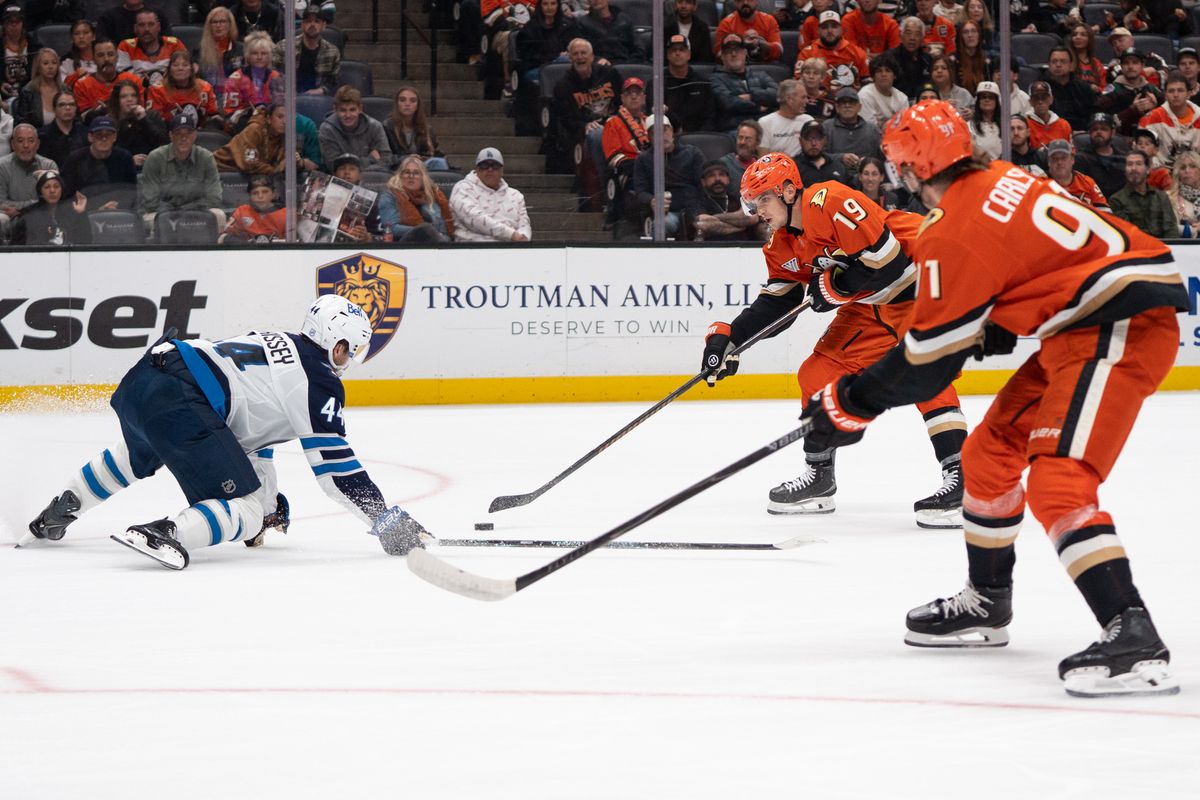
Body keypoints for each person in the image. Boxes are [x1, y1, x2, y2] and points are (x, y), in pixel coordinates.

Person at [808, 99, 1187, 697]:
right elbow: (1036, 263)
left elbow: (927, 365)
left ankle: (1134, 636)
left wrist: (846, 403)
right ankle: (987, 602)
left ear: (909, 168)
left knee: (1059, 481)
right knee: (987, 457)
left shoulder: (956, 226)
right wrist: (997, 321)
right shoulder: (998, 179)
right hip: (1086, 321)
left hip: (1120, 325)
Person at [21, 295, 431, 569]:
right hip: (186, 396)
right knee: (247, 507)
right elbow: (336, 470)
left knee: (138, 454)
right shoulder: (318, 380)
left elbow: (251, 441)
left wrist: (272, 502)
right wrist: (384, 518)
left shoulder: (276, 343)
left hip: (149, 376)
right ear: (337, 344)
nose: (349, 358)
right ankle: (167, 531)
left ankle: (59, 511)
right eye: (351, 349)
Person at [706, 152, 966, 525]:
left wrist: (835, 285)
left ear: (789, 190)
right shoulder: (780, 244)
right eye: (753, 202)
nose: (757, 210)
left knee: (926, 379)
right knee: (816, 374)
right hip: (873, 306)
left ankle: (961, 480)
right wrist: (731, 339)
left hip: (926, 281)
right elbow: (779, 304)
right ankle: (820, 478)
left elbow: (889, 260)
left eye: (763, 198)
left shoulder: (829, 200)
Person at [140, 113, 226, 233]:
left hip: (196, 212)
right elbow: (151, 201)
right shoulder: (155, 157)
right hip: (162, 213)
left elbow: (214, 198)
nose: (183, 138)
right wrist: (175, 213)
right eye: (178, 134)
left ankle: (211, 251)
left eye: (188, 133)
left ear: (195, 135)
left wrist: (188, 211)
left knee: (219, 215)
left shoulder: (206, 157)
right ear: (171, 136)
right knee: (149, 219)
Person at [549, 38, 617, 173]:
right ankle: (605, 181)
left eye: (583, 53)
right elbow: (566, 120)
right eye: (575, 54)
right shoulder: (563, 86)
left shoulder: (609, 74)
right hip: (585, 131)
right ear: (570, 58)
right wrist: (584, 125)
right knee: (597, 134)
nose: (580, 57)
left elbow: (622, 100)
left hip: (614, 123)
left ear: (592, 57)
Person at [631, 114, 704, 238]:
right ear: (649, 137)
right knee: (661, 225)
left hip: (694, 208)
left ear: (672, 131)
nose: (662, 136)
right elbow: (640, 191)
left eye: (665, 130)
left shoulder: (692, 153)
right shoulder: (643, 159)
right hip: (667, 213)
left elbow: (703, 184)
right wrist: (652, 200)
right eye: (655, 132)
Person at [450, 146, 532, 242]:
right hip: (473, 249)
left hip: (511, 249)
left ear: (502, 170)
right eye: (484, 165)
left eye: (495, 165)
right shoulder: (462, 188)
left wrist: (523, 238)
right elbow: (474, 218)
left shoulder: (516, 195)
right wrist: (511, 235)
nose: (490, 169)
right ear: (477, 169)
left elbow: (524, 225)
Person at [378, 154, 455, 242]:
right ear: (400, 176)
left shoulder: (433, 195)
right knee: (426, 229)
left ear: (423, 177)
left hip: (434, 244)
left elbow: (444, 231)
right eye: (407, 172)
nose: (411, 176)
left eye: (416, 173)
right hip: (404, 245)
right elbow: (391, 228)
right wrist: (422, 231)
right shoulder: (390, 195)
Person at [0, 123, 58, 239]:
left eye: (31, 141)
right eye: (20, 141)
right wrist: (35, 203)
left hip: (43, 215)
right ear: (12, 144)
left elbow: (53, 200)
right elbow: (1, 202)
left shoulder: (49, 165)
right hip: (10, 217)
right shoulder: (1, 166)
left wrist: (23, 208)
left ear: (37, 144)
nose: (26, 145)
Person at [60, 115, 137, 201]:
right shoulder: (74, 159)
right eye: (99, 135)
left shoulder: (125, 158)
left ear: (115, 137)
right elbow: (66, 195)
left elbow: (131, 191)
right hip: (83, 210)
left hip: (118, 208)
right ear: (90, 137)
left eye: (108, 135)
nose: (104, 139)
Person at [711, 35, 778, 133]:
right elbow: (729, 102)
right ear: (722, 56)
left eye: (737, 50)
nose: (733, 54)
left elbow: (778, 94)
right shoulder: (715, 79)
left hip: (765, 126)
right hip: (735, 129)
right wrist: (758, 107)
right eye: (728, 52)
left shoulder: (761, 75)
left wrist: (751, 96)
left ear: (745, 53)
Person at [652, 34, 716, 134]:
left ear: (689, 54)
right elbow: (651, 115)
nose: (677, 53)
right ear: (667, 55)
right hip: (666, 136)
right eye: (673, 50)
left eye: (682, 49)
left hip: (698, 137)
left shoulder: (702, 83)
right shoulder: (656, 83)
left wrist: (702, 137)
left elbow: (710, 117)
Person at [221, 31, 282, 132]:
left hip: (273, 126)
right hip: (243, 128)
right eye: (255, 53)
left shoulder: (277, 78)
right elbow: (230, 116)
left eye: (263, 53)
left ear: (270, 56)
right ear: (247, 55)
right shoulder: (235, 79)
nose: (259, 57)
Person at [272, 4, 340, 96]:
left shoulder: (333, 52)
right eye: (308, 21)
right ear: (302, 25)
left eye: (317, 21)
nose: (312, 25)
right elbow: (273, 73)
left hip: (319, 101)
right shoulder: (284, 47)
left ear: (324, 25)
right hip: (287, 99)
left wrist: (321, 90)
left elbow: (334, 81)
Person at [1109, 149, 1179, 237]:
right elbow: (1125, 232)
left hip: (1163, 246)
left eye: (1138, 164)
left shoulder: (1161, 197)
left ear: (1148, 169)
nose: (1133, 168)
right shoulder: (1116, 200)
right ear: (1125, 170)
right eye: (1130, 164)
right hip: (1135, 247)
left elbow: (1171, 228)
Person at [10, 168, 91, 244]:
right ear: (40, 192)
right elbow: (17, 246)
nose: (52, 191)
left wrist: (81, 214)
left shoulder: (72, 211)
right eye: (47, 187)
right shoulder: (29, 214)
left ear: (61, 190)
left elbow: (86, 241)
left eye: (56, 187)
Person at [1138, 71, 1200, 168]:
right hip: (1160, 173)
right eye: (1171, 91)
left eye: (1180, 90)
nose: (1175, 95)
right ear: (1165, 95)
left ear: (1188, 94)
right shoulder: (1152, 118)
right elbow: (1141, 152)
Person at [796, 11, 869, 93]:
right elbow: (799, 82)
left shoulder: (857, 52)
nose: (830, 31)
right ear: (819, 30)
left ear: (841, 29)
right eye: (825, 27)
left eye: (834, 27)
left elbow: (868, 82)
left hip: (850, 100)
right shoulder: (807, 53)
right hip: (819, 99)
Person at [146, 50, 221, 129]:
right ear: (169, 69)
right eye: (175, 65)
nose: (180, 68)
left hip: (202, 134)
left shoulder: (205, 87)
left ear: (192, 69)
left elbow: (214, 116)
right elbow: (154, 122)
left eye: (185, 65)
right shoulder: (157, 90)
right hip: (169, 134)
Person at [70, 39, 142, 119]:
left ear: (117, 57)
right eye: (100, 55)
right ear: (93, 59)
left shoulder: (133, 80)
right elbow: (85, 118)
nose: (106, 59)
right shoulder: (82, 85)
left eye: (111, 54)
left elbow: (141, 111)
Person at [1099, 48, 1164, 136]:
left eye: (1135, 62)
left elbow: (1168, 116)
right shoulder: (1112, 90)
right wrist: (1132, 111)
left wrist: (1155, 109)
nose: (1130, 66)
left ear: (1142, 65)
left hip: (1150, 139)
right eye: (1126, 63)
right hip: (1120, 139)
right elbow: (1102, 122)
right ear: (1121, 66)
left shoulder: (1151, 89)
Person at [214, 103, 292, 175]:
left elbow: (283, 163)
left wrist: (298, 162)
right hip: (220, 169)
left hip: (247, 174)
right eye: (280, 117)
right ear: (269, 119)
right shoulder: (254, 129)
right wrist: (274, 171)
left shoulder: (284, 135)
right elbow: (249, 162)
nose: (285, 122)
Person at [694, 160, 762, 241]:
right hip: (710, 249)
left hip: (744, 248)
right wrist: (740, 226)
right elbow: (703, 223)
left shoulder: (740, 197)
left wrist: (715, 218)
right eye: (711, 175)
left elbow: (751, 218)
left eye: (721, 174)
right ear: (703, 181)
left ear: (728, 179)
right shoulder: (696, 201)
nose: (717, 179)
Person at [383, 84, 447, 171]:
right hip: (397, 169)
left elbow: (435, 153)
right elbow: (384, 157)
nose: (407, 104)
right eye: (402, 100)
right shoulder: (387, 127)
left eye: (412, 101)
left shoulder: (427, 129)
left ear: (417, 106)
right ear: (397, 104)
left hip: (422, 169)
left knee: (439, 163)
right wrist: (406, 158)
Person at [117, 8, 186, 86]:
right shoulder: (126, 47)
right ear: (135, 28)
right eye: (142, 25)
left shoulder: (174, 44)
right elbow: (125, 80)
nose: (147, 29)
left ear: (158, 26)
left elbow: (186, 72)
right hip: (138, 94)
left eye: (151, 24)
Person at [515, 0, 579, 84]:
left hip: (566, 64)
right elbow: (528, 56)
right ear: (540, 6)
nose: (549, 8)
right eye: (545, 4)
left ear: (558, 5)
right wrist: (554, 58)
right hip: (538, 67)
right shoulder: (530, 28)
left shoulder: (568, 24)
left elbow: (577, 44)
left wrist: (569, 53)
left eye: (553, 3)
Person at [108, 78, 168, 166]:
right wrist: (129, 161)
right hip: (122, 169)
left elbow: (164, 144)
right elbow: (108, 152)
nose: (130, 99)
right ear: (116, 100)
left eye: (133, 95)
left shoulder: (152, 116)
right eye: (123, 96)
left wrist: (144, 120)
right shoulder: (110, 121)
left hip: (152, 167)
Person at [1044, 139, 1110, 211]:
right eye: (1055, 159)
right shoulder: (1040, 184)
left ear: (1072, 159)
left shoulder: (1088, 183)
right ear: (1048, 162)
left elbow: (1106, 212)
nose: (1059, 162)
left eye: (1064, 158)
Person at [601, 76, 648, 177]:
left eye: (637, 93)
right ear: (622, 98)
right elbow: (613, 157)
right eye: (629, 93)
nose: (633, 96)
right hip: (627, 173)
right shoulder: (612, 123)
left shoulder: (650, 121)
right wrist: (638, 166)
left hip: (651, 168)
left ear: (644, 98)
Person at [1076, 112, 1130, 198]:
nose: (1098, 132)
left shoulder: (1123, 159)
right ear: (1089, 133)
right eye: (1095, 129)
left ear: (1112, 133)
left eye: (1104, 129)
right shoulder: (1081, 159)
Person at [822, 87, 880, 166]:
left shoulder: (872, 130)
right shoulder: (826, 127)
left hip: (866, 175)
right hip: (834, 174)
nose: (847, 105)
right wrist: (840, 158)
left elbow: (881, 157)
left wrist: (868, 161)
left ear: (859, 107)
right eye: (843, 102)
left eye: (851, 102)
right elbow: (819, 155)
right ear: (837, 108)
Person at [219, 173, 285, 243]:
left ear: (274, 194)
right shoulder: (242, 212)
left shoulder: (286, 215)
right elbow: (223, 236)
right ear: (249, 195)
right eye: (255, 193)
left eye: (265, 192)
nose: (260, 196)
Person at [1042, 46, 1094, 132]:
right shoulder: (1042, 89)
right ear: (1049, 65)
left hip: (1081, 133)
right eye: (1054, 61)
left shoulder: (1084, 89)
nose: (1058, 65)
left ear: (1071, 66)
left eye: (1063, 61)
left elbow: (1092, 116)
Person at [757, 80, 813, 158]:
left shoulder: (808, 120)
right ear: (789, 100)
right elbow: (763, 159)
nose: (807, 101)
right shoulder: (765, 123)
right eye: (803, 97)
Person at [196, 5, 243, 98]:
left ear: (230, 24)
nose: (218, 25)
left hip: (235, 96)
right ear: (209, 26)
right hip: (208, 97)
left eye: (222, 21)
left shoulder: (241, 49)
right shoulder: (199, 50)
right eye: (214, 22)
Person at [715, 0, 782, 63]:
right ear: (735, 2)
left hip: (765, 65)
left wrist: (763, 45)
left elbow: (779, 50)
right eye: (740, 0)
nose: (745, 3)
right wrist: (741, 44)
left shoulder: (769, 20)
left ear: (756, 1)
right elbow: (719, 55)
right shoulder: (726, 23)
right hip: (736, 68)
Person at [13, 48, 66, 128]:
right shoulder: (28, 92)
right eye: (45, 63)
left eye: (54, 63)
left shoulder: (66, 90)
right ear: (38, 67)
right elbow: (22, 123)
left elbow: (76, 119)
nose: (50, 67)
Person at [578, 0, 641, 64]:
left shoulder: (624, 20)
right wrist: (596, 59)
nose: (596, 0)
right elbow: (581, 50)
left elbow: (638, 48)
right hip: (598, 66)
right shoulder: (582, 23)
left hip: (625, 63)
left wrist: (630, 63)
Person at [857, 55, 908, 129]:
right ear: (873, 76)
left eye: (888, 70)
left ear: (894, 76)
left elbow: (903, 127)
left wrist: (881, 124)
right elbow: (869, 128)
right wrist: (892, 122)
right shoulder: (864, 95)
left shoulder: (902, 98)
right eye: (879, 71)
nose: (883, 74)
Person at [886, 17, 932, 99]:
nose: (912, 38)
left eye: (917, 34)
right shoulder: (889, 58)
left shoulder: (927, 59)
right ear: (901, 36)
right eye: (908, 33)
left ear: (922, 38)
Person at [795, 118, 849, 186]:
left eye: (818, 138)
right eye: (808, 138)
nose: (813, 143)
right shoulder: (794, 168)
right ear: (800, 141)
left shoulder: (838, 167)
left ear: (824, 140)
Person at [38, 91, 86, 168]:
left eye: (72, 104)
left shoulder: (84, 132)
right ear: (54, 109)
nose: (68, 108)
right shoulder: (43, 135)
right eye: (62, 105)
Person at [97, 0, 172, 44]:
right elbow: (102, 45)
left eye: (151, 24)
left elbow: (169, 42)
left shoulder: (158, 14)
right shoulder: (108, 17)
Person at [1026, 81, 1073, 150]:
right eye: (1036, 98)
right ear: (1030, 102)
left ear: (1051, 99)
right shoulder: (1025, 125)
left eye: (1044, 97)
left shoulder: (1064, 125)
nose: (1040, 102)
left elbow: (1071, 150)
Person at [1, 5, 33, 100]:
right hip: (3, 96)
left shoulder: (33, 45)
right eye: (10, 22)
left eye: (17, 21)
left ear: (23, 24)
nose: (14, 25)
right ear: (4, 24)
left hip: (28, 93)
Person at [720, 120, 763, 189]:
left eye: (748, 139)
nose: (743, 142)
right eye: (740, 138)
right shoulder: (724, 164)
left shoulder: (763, 168)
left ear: (757, 144)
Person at [1168, 149, 1200, 238]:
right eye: (1182, 168)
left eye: (1193, 166)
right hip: (1183, 247)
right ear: (1178, 173)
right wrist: (1194, 230)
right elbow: (1169, 227)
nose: (1187, 170)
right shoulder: (1170, 198)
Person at [1066, 21, 1105, 94]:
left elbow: (1104, 88)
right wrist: (1087, 87)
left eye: (1083, 35)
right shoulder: (1066, 60)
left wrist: (1097, 89)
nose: (1078, 37)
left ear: (1089, 39)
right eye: (1075, 34)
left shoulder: (1096, 63)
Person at [929, 54, 971, 119]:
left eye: (944, 68)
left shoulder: (963, 93)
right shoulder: (927, 94)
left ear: (951, 72)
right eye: (935, 68)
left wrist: (972, 113)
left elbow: (977, 112)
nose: (939, 71)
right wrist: (942, 107)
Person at [954, 20, 988, 95]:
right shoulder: (954, 61)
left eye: (973, 31)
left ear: (979, 35)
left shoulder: (987, 61)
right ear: (961, 37)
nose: (970, 35)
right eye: (965, 32)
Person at [59, 19, 97, 84]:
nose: (81, 37)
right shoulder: (66, 62)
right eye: (76, 34)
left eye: (85, 33)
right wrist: (75, 76)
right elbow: (62, 86)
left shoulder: (104, 57)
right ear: (71, 39)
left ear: (93, 36)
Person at [797, 56, 833, 120]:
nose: (811, 77)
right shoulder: (794, 97)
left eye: (816, 73)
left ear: (823, 77)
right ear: (801, 75)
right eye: (807, 73)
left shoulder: (830, 100)